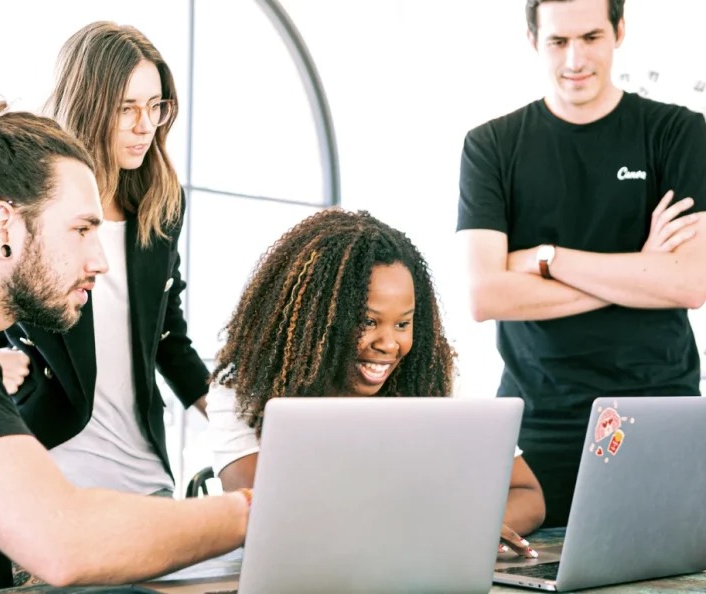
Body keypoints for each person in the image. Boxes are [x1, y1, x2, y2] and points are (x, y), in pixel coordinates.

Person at [0, 82, 248, 593]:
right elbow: (64, 542)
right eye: (82, 230)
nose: (100, 261)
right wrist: (253, 510)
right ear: (2, 228)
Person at [456, 0, 706, 528]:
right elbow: (486, 296)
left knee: (670, 566)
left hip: (657, 411)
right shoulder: (491, 146)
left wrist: (546, 259)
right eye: (558, 41)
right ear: (533, 41)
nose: (575, 59)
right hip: (535, 423)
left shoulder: (678, 132)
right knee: (503, 561)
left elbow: (688, 282)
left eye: (591, 37)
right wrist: (641, 270)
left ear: (619, 31)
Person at [205, 209, 546, 555]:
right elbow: (268, 517)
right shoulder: (244, 387)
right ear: (316, 318)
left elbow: (527, 495)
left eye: (402, 324)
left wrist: (467, 528)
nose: (388, 344)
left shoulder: (432, 377)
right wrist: (432, 526)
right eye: (368, 321)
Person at [0, 21, 209, 497]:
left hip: (144, 472)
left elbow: (168, 336)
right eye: (126, 108)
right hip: (47, 463)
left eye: (155, 106)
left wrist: (239, 421)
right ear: (88, 106)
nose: (145, 125)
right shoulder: (28, 195)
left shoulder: (162, 204)